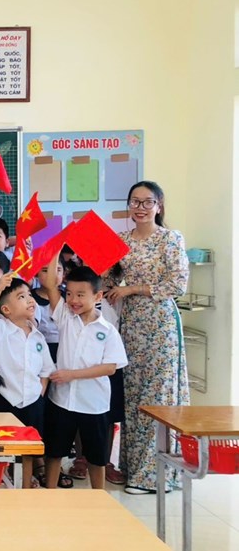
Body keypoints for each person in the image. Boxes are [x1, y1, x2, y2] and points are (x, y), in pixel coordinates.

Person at [106, 181, 189, 494]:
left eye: (147, 202)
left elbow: (177, 284)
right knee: (134, 397)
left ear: (159, 205)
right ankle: (134, 469)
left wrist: (132, 289)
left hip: (161, 324)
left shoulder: (170, 238)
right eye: (134, 202)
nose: (140, 208)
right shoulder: (121, 240)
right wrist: (98, 266)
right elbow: (109, 278)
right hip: (130, 325)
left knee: (158, 397)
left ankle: (155, 476)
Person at [42, 262, 128, 490]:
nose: (73, 300)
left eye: (80, 294)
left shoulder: (107, 330)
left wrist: (72, 375)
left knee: (96, 458)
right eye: (69, 294)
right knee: (54, 452)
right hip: (62, 400)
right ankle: (49, 494)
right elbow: (50, 284)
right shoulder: (65, 317)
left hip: (93, 404)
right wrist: (54, 251)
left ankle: (98, 497)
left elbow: (110, 368)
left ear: (98, 296)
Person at [0, 273, 55, 488]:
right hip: (4, 398)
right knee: (0, 445)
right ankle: (0, 482)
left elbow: (46, 371)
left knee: (28, 448)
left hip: (32, 400)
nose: (30, 299)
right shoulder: (1, 328)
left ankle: (25, 484)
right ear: (6, 309)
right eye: (21, 297)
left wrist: (39, 394)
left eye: (29, 294)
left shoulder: (38, 337)